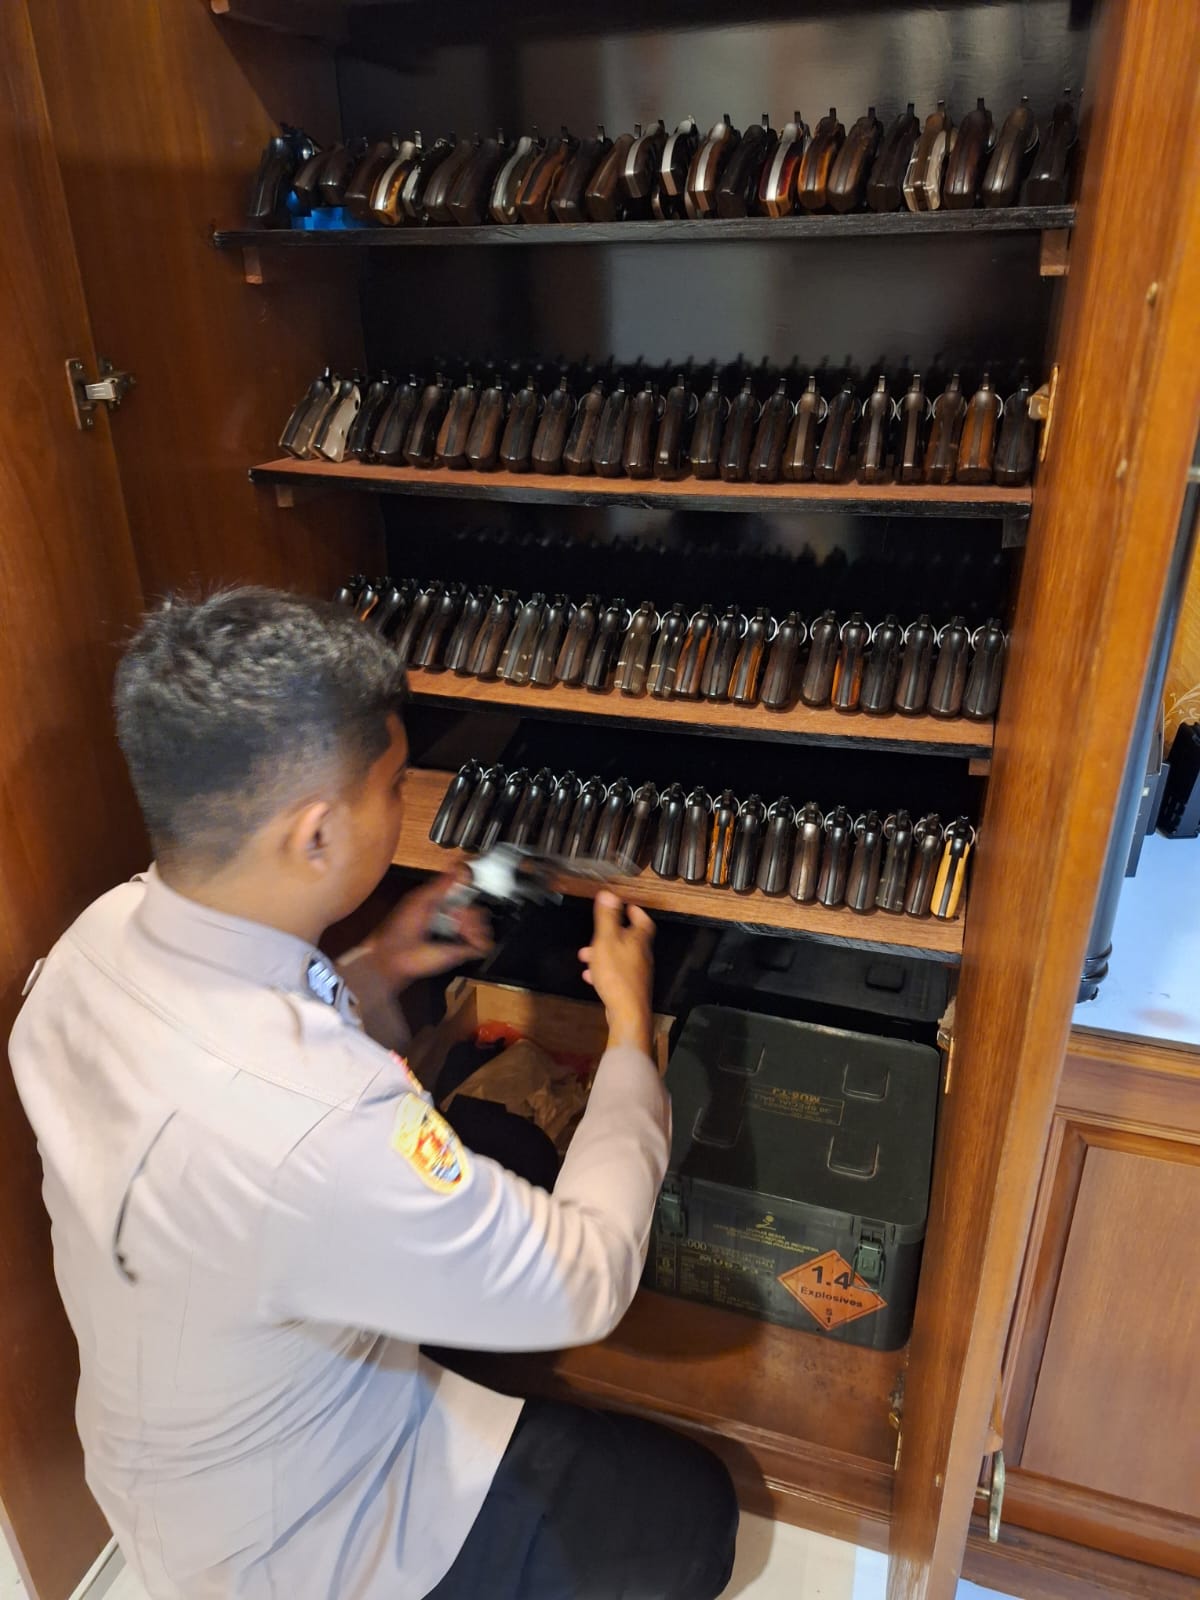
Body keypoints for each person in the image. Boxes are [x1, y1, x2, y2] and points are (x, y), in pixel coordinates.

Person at [9, 588, 738, 1600]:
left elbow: (234, 1065)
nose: (407, 806)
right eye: (395, 784)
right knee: (694, 1515)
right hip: (303, 1536)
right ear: (315, 835)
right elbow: (586, 1278)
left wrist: (381, 964)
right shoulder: (318, 1124)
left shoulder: (87, 948)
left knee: (495, 1147)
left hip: (175, 1454)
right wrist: (627, 1032)